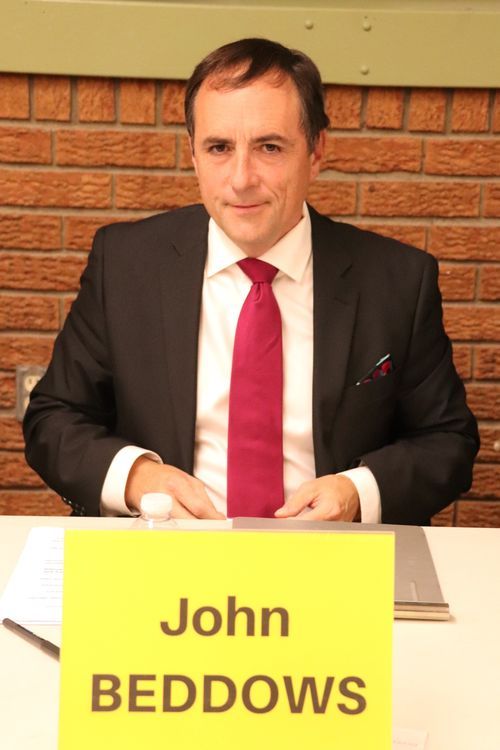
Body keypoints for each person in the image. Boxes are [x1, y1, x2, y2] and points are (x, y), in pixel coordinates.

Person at [23, 38, 479, 525]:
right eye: (219, 148)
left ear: (316, 151)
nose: (241, 179)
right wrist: (137, 478)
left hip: (332, 554)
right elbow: (54, 417)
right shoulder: (125, 264)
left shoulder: (398, 280)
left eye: (269, 147)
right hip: (165, 550)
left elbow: (447, 441)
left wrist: (357, 492)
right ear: (193, 154)